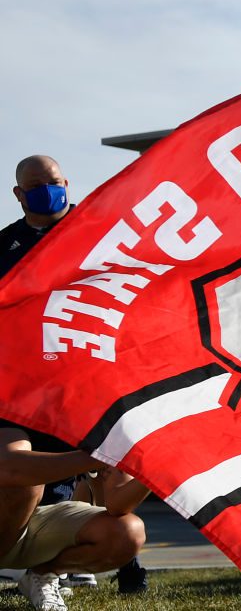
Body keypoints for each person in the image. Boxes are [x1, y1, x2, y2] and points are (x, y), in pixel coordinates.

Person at [0, 156, 151, 610]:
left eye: (54, 183)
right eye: (36, 185)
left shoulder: (98, 233)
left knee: (122, 523)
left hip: (84, 374)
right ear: (19, 194)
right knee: (25, 478)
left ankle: (45, 574)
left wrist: (154, 454)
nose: (48, 191)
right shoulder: (6, 245)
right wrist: (93, 454)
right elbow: (13, 470)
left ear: (66, 183)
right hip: (23, 383)